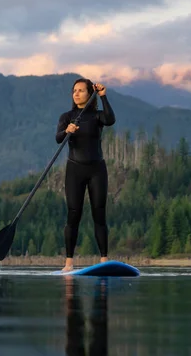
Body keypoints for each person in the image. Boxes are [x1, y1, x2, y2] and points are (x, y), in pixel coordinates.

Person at [55, 78, 116, 271]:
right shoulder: (67, 116)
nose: (76, 93)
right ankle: (69, 263)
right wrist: (67, 131)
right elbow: (58, 139)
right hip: (75, 170)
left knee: (99, 214)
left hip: (97, 169)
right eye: (74, 90)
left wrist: (104, 96)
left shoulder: (97, 116)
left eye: (81, 90)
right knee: (74, 214)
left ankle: (104, 260)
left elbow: (110, 120)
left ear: (90, 94)